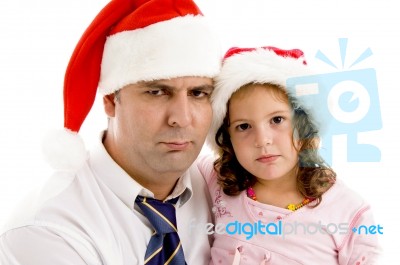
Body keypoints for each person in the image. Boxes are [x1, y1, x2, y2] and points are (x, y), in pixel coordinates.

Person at [0, 0, 221, 264]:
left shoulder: (227, 190)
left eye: (198, 93)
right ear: (109, 100)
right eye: (157, 92)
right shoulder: (48, 230)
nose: (182, 118)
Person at [198, 46, 381, 264]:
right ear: (228, 139)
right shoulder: (215, 180)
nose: (262, 139)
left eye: (277, 120)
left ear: (304, 126)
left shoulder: (347, 211)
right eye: (244, 126)